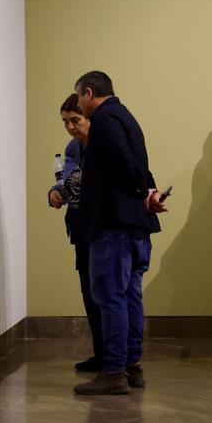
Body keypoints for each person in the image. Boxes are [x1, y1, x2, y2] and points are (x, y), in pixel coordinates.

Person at [72, 71, 166, 395]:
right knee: (129, 295)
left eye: (79, 98)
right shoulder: (126, 116)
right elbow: (139, 164)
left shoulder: (104, 119)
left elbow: (125, 163)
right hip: (135, 223)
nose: (79, 105)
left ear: (88, 93)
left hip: (114, 224)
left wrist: (143, 191)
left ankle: (113, 371)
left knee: (110, 296)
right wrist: (149, 193)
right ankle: (132, 367)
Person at [48, 94, 103, 372]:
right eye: (65, 122)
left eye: (75, 120)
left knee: (106, 294)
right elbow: (65, 181)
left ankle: (117, 358)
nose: (70, 127)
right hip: (80, 228)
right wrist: (55, 192)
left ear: (88, 119)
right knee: (89, 293)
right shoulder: (72, 148)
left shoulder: (103, 146)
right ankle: (101, 353)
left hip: (102, 229)